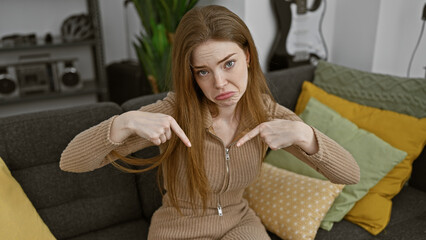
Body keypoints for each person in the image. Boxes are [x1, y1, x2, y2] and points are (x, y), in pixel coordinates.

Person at [60, 5, 360, 240]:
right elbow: (70, 162)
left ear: (247, 56)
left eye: (228, 63)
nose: (220, 83)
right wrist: (120, 124)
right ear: (191, 74)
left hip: (239, 223)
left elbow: (350, 174)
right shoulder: (174, 112)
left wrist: (305, 134)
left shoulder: (266, 112)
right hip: (178, 230)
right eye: (203, 71)